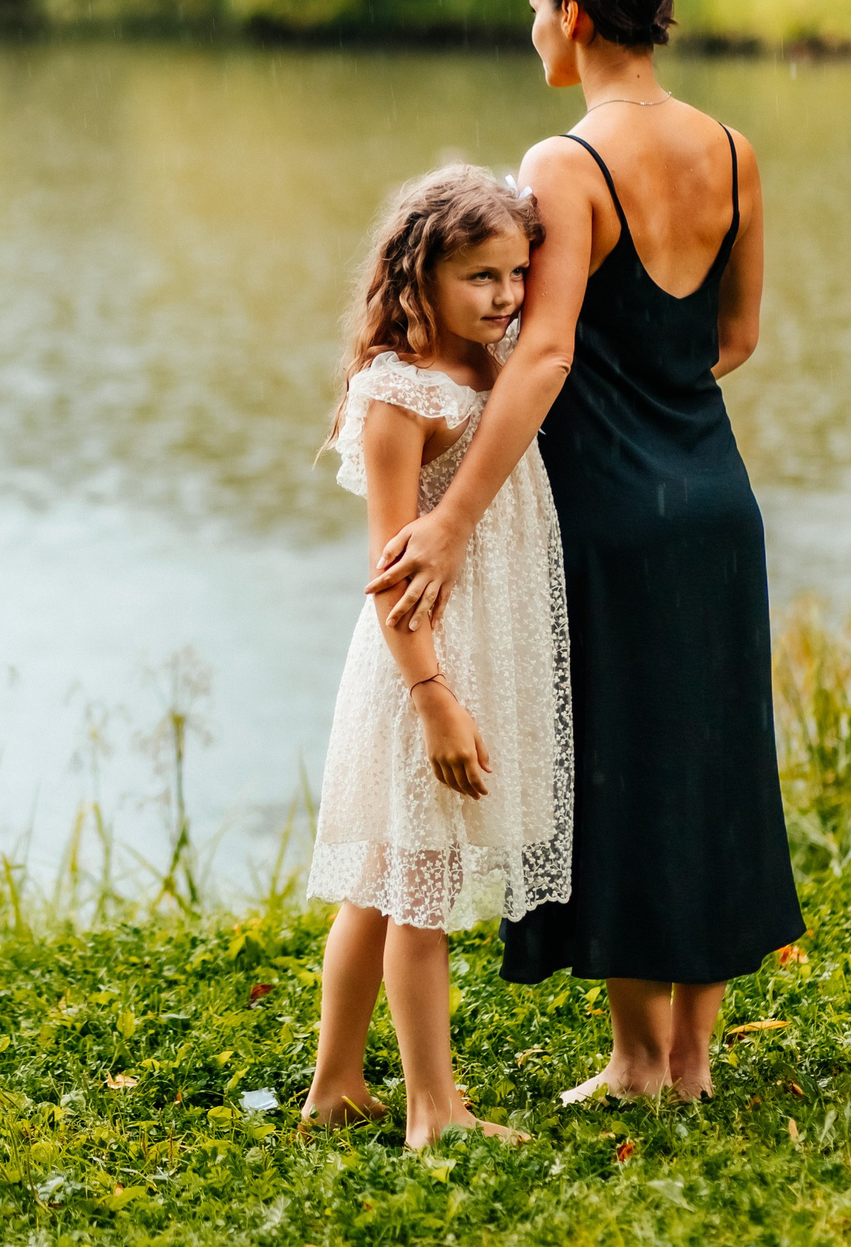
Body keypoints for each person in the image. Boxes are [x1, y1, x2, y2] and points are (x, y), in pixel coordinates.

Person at [369, 0, 802, 1105]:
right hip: (716, 498)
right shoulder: (733, 149)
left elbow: (545, 349)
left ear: (573, 16)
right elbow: (736, 338)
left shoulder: (564, 162)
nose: (528, 28)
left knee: (623, 764)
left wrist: (450, 522)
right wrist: (662, 410)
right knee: (712, 763)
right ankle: (692, 1064)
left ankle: (632, 1060)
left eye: (530, 6)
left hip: (607, 509)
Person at [303, 165, 572, 1148]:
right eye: (480, 278)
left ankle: (334, 1086)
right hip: (419, 662)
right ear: (420, 277)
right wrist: (432, 697)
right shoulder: (398, 397)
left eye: (514, 275)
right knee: (416, 889)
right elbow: (388, 570)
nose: (504, 298)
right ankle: (433, 1112)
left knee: (378, 879)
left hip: (457, 654)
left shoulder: (490, 366)